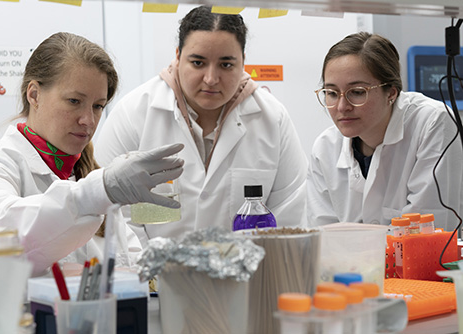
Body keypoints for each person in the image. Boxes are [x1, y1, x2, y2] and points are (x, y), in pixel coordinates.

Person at [0, 32, 184, 276]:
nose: (88, 120)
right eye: (74, 101)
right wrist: (97, 192)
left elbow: (131, 265)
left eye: (98, 106)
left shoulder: (87, 173)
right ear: (34, 95)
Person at [95, 6, 308, 244]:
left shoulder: (272, 119)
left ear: (243, 61)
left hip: (247, 277)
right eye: (198, 63)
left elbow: (290, 215)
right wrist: (151, 274)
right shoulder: (134, 113)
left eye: (226, 65)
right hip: (153, 276)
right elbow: (110, 213)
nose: (211, 78)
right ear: (177, 56)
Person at [307, 32, 463, 231]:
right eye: (331, 93)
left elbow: (428, 231)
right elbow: (321, 237)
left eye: (357, 92)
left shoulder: (433, 123)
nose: (341, 107)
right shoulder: (325, 147)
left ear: (391, 92)